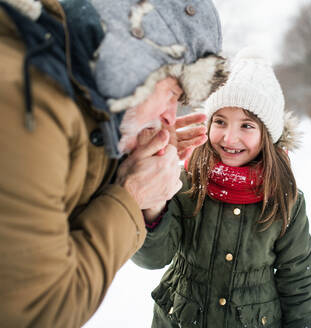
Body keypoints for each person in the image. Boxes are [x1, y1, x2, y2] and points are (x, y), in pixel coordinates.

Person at [0, 0, 228, 326]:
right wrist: (131, 195)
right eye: (172, 94)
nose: (168, 118)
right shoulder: (29, 99)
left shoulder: (64, 92)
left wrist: (130, 161)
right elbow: (38, 311)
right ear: (133, 60)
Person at [132, 47, 311, 328]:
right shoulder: (185, 182)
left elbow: (298, 282)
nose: (230, 138)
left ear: (267, 135)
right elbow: (154, 258)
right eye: (220, 121)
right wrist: (154, 200)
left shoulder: (286, 199)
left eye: (246, 125)